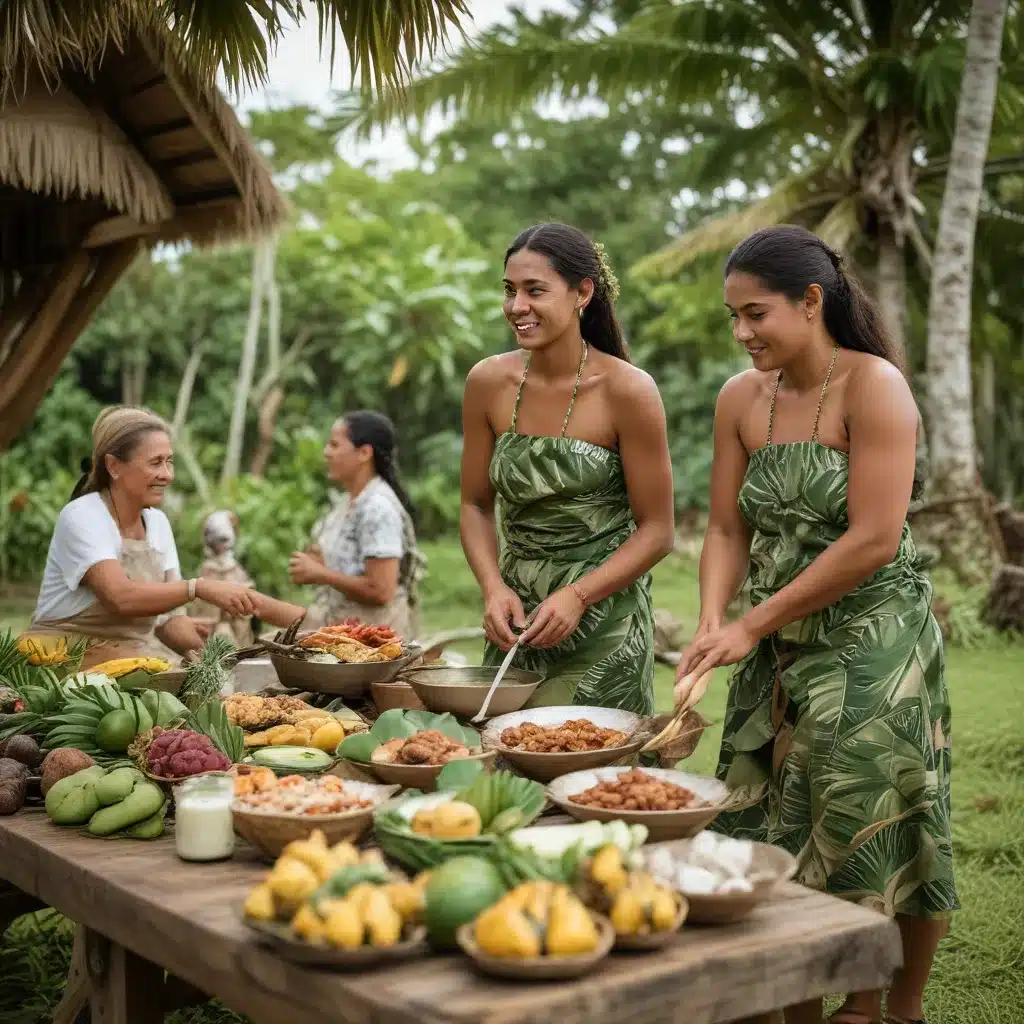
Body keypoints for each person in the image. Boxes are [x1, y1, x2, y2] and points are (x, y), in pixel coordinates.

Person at [675, 225, 957, 1024]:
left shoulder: (875, 387)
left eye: (755, 313)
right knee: (759, 813)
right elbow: (727, 530)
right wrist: (709, 622)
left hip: (876, 634)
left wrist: (750, 625)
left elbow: (872, 538)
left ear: (811, 300)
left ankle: (889, 1006)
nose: (741, 333)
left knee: (873, 813)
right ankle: (796, 997)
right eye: (733, 316)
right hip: (773, 636)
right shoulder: (741, 398)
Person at [461, 223, 675, 713]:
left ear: (583, 293)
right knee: (504, 767)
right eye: (510, 290)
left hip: (605, 628)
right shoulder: (488, 383)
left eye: (535, 290)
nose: (517, 306)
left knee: (596, 778)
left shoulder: (628, 391)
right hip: (514, 622)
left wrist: (579, 595)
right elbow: (474, 504)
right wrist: (493, 588)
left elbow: (658, 530)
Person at [26, 407, 304, 669]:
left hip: (129, 656)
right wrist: (199, 587)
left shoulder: (157, 523)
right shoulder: (83, 517)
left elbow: (168, 619)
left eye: (169, 462)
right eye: (156, 463)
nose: (167, 475)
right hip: (63, 658)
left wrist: (211, 660)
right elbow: (121, 598)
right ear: (113, 466)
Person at [289, 411, 424, 638]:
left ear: (364, 453)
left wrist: (320, 573)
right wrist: (320, 563)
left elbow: (381, 590)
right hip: (345, 627)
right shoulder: (346, 503)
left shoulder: (377, 507)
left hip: (375, 640)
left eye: (334, 445)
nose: (326, 452)